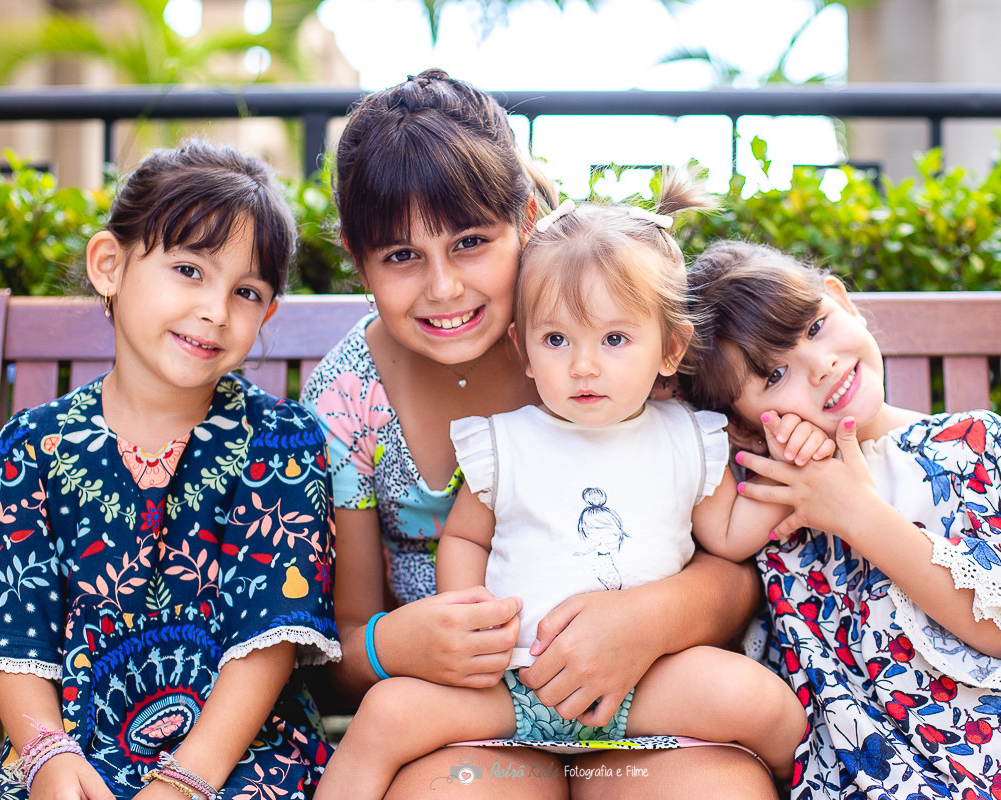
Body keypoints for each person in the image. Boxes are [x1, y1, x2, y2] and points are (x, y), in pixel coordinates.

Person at [300, 69, 775, 799]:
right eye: (401, 256)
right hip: (476, 714)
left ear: (524, 218)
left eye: (470, 242)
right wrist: (396, 643)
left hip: (651, 694)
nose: (443, 288)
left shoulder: (617, 337)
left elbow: (739, 567)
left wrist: (650, 619)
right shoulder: (347, 400)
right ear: (357, 258)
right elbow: (334, 652)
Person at [0, 141, 342, 800]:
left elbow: (268, 639)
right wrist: (46, 756)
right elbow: (13, 633)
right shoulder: (32, 448)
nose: (217, 310)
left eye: (246, 292)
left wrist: (183, 783)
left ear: (266, 313)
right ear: (110, 265)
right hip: (73, 757)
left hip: (241, 758)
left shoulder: (281, 444)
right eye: (189, 269)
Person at [678, 239, 1001, 799]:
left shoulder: (970, 446)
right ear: (743, 426)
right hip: (884, 776)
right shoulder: (774, 502)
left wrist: (858, 515)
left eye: (815, 327)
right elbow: (716, 526)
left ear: (842, 301)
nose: (820, 366)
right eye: (775, 375)